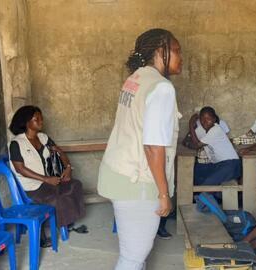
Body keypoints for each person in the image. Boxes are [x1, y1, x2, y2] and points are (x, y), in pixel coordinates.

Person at [97, 28, 182, 270]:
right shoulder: (162, 87)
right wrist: (164, 194)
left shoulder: (135, 79)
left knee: (134, 254)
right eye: (176, 51)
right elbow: (154, 147)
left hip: (118, 173)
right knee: (132, 258)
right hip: (139, 183)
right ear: (160, 52)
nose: (180, 57)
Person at [8, 105, 86, 248]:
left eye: (41, 118)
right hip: (31, 186)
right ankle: (49, 231)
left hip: (49, 181)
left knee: (75, 185)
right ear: (26, 122)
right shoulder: (16, 143)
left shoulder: (43, 138)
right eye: (36, 119)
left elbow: (60, 152)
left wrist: (68, 168)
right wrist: (45, 179)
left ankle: (66, 220)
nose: (41, 121)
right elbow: (20, 169)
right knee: (57, 197)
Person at [190, 107, 241, 186]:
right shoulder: (208, 131)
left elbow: (197, 145)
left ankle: (206, 196)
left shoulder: (215, 130)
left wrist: (190, 125)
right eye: (202, 119)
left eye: (208, 119)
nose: (205, 122)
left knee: (206, 185)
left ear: (214, 119)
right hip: (220, 164)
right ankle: (209, 196)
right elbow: (193, 143)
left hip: (231, 165)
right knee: (198, 172)